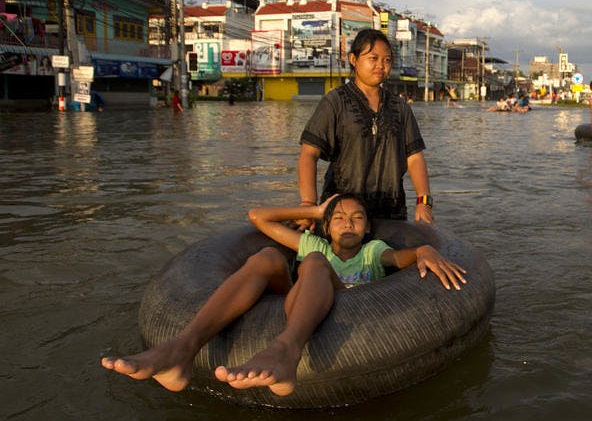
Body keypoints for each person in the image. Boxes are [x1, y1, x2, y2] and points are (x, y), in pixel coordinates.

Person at [100, 194, 466, 397]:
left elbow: (403, 258)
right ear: (326, 226)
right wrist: (312, 211)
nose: (348, 222)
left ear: (368, 227)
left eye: (357, 218)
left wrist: (424, 252)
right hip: (300, 296)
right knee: (268, 257)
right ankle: (182, 350)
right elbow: (258, 216)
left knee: (315, 264)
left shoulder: (373, 252)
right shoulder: (311, 242)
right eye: (338, 217)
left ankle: (287, 351)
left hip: (343, 309)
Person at [298, 29, 435, 225]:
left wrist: (424, 202)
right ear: (353, 59)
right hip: (343, 215)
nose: (381, 65)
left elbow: (414, 157)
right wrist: (308, 204)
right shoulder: (335, 102)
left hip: (391, 214)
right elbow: (308, 153)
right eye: (373, 58)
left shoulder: (400, 107)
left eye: (387, 60)